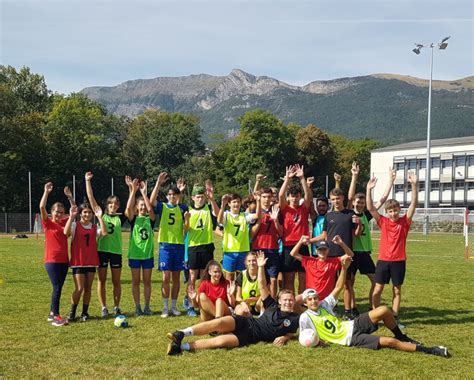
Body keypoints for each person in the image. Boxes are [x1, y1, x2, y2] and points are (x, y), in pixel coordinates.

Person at [299, 256, 449, 358]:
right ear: (305, 303)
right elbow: (304, 335)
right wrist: (317, 342)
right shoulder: (305, 317)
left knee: (384, 309)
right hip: (350, 338)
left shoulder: (324, 304)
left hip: (351, 324)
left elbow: (337, 288)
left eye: (315, 298)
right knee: (390, 342)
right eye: (310, 299)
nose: (313, 301)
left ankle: (401, 335)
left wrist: (344, 268)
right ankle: (432, 350)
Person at [166, 251, 301, 355]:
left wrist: (284, 338)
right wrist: (260, 267)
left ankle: (180, 347)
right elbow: (262, 285)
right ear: (279, 301)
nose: (288, 302)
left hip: (251, 337)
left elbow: (291, 333)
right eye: (285, 300)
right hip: (246, 322)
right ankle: (181, 333)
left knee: (219, 342)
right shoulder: (271, 305)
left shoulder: (295, 318)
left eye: (290, 300)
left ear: (294, 301)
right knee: (218, 323)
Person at [367, 172, 418, 328]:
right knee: (378, 289)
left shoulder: (405, 222)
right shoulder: (382, 222)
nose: (393, 213)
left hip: (399, 261)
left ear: (399, 210)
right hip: (383, 261)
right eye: (390, 211)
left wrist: (414, 185)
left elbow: (413, 204)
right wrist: (369, 190)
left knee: (396, 290)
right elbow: (370, 208)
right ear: (387, 213)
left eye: (395, 210)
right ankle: (375, 315)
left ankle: (395, 316)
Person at [347, 164, 396, 312]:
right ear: (354, 202)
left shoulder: (367, 214)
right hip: (351, 253)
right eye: (358, 202)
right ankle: (353, 309)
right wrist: (354, 176)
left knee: (376, 281)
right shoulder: (348, 214)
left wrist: (391, 180)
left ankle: (371, 307)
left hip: (364, 253)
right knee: (349, 284)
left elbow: (382, 199)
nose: (360, 204)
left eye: (362, 202)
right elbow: (349, 196)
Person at [310, 181, 361, 320]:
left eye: (338, 198)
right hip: (330, 255)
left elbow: (356, 234)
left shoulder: (350, 214)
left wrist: (359, 223)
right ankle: (330, 308)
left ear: (343, 198)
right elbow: (324, 235)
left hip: (345, 254)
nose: (335, 201)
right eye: (333, 199)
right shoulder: (328, 216)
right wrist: (310, 240)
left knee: (347, 284)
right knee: (330, 284)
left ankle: (348, 311)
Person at [85, 171, 126, 318]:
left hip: (116, 252)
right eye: (110, 203)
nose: (113, 205)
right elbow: (91, 198)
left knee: (116, 281)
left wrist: (133, 190)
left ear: (118, 206)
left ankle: (116, 307)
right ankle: (103, 307)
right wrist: (87, 181)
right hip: (101, 250)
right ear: (107, 205)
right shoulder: (101, 214)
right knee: (101, 280)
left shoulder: (121, 218)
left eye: (115, 203)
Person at [150, 173, 189, 318]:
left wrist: (186, 220)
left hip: (178, 245)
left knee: (176, 277)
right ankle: (165, 307)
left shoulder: (183, 208)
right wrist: (158, 184)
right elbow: (151, 201)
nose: (172, 197)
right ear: (166, 196)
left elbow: (186, 228)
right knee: (166, 277)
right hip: (165, 245)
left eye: (174, 194)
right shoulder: (162, 206)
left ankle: (174, 306)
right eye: (170, 194)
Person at [40, 182, 75, 326]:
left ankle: (51, 313)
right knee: (57, 287)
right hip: (52, 261)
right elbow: (42, 207)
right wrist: (46, 192)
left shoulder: (64, 222)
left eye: (61, 212)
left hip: (64, 261)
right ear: (52, 212)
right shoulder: (48, 223)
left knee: (59, 287)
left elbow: (74, 210)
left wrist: (70, 197)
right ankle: (56, 316)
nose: (59, 214)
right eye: (56, 212)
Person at [65, 201, 107, 321]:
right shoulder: (75, 226)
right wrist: (71, 217)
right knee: (79, 288)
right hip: (78, 262)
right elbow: (66, 233)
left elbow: (104, 233)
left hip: (91, 261)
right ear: (80, 213)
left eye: (89, 212)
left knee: (88, 288)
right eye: (85, 212)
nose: (87, 214)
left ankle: (85, 313)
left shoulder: (94, 227)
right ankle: (72, 313)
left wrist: (100, 217)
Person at [185, 182, 220, 317]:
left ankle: (203, 302)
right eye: (197, 197)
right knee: (192, 276)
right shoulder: (189, 210)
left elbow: (218, 215)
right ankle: (189, 303)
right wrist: (187, 220)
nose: (200, 199)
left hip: (207, 246)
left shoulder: (208, 208)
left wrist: (211, 199)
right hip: (193, 247)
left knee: (205, 276)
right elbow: (185, 230)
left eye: (202, 197)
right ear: (193, 197)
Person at [278, 164, 312, 294]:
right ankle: (291, 304)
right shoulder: (285, 208)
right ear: (289, 197)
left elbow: (308, 196)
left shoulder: (303, 208)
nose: (294, 198)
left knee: (303, 277)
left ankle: (301, 303)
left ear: (299, 197)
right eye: (292, 196)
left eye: (297, 195)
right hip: (288, 246)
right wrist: (287, 179)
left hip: (302, 246)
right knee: (289, 278)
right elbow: (281, 195)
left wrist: (302, 178)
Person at [125, 177, 156, 316]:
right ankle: (137, 307)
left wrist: (144, 193)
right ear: (137, 207)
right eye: (140, 205)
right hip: (135, 255)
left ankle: (147, 307)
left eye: (144, 205)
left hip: (147, 255)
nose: (143, 207)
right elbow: (127, 209)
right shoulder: (133, 219)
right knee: (136, 282)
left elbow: (150, 209)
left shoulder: (150, 219)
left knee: (147, 282)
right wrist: (133, 191)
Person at [290, 235, 353, 301]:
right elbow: (293, 253)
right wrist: (300, 242)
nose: (322, 252)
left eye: (324, 249)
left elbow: (350, 254)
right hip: (311, 296)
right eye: (320, 249)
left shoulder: (333, 262)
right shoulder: (310, 261)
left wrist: (341, 243)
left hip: (326, 298)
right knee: (294, 301)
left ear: (328, 250)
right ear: (316, 251)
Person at [217, 193, 257, 281]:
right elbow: (219, 220)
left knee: (241, 278)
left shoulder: (244, 216)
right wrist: (222, 205)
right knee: (229, 279)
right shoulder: (226, 215)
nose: (236, 204)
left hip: (243, 251)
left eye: (238, 202)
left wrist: (258, 200)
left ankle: (239, 295)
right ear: (229, 204)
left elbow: (258, 215)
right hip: (229, 252)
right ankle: (230, 295)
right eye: (234, 202)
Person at [251, 187, 282, 298]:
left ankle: (272, 305)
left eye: (269, 197)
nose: (266, 199)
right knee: (260, 278)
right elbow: (251, 234)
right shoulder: (255, 212)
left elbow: (281, 233)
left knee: (273, 279)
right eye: (264, 197)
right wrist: (259, 221)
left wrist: (276, 220)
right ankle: (261, 303)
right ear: (260, 197)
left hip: (272, 249)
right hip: (258, 249)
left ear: (272, 197)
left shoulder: (276, 211)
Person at [234, 251, 269, 317]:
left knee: (263, 301)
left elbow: (267, 294)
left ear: (257, 261)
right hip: (246, 303)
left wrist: (253, 299)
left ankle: (262, 320)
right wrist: (243, 303)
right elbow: (237, 297)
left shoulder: (263, 274)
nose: (251, 263)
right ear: (246, 263)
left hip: (258, 305)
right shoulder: (242, 275)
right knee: (240, 311)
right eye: (249, 261)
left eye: (254, 260)